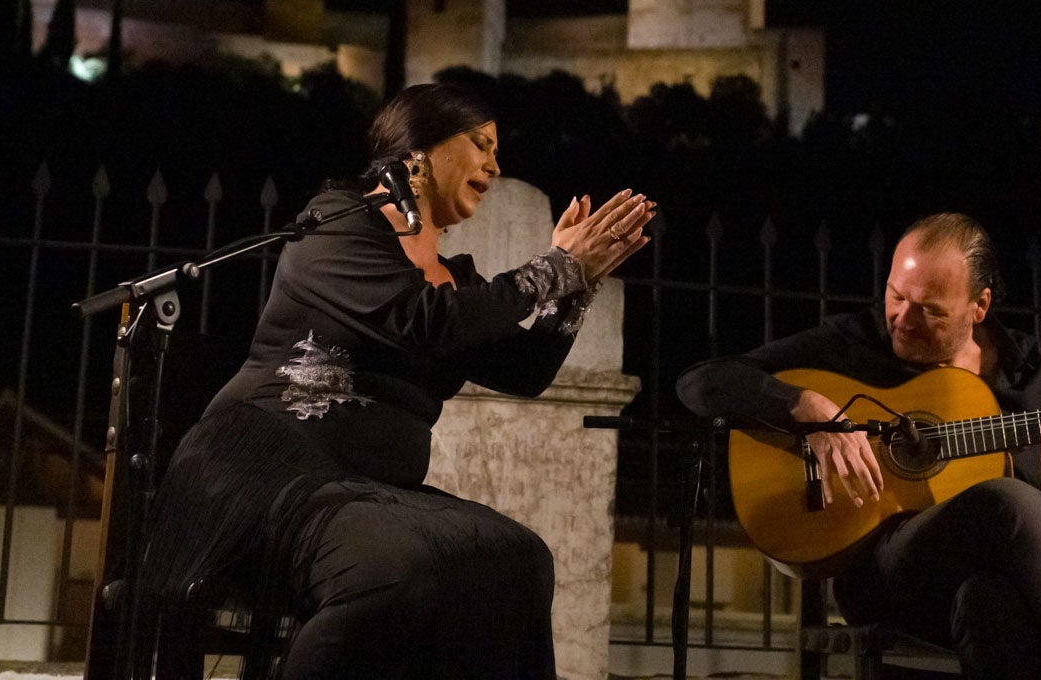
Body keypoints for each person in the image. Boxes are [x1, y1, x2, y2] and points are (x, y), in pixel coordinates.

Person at [135, 83, 657, 679]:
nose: (495, 163)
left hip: (364, 493)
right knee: (390, 567)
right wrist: (558, 265)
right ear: (421, 149)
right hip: (263, 473)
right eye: (480, 144)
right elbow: (423, 324)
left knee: (520, 558)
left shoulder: (456, 282)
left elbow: (524, 371)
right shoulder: (335, 225)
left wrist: (580, 283)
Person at [676, 212, 1041, 680]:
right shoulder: (855, 344)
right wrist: (805, 407)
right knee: (1008, 498)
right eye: (896, 295)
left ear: (979, 306)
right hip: (887, 576)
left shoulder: (1039, 374)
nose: (903, 318)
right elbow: (700, 383)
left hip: (997, 592)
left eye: (930, 310)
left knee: (988, 600)